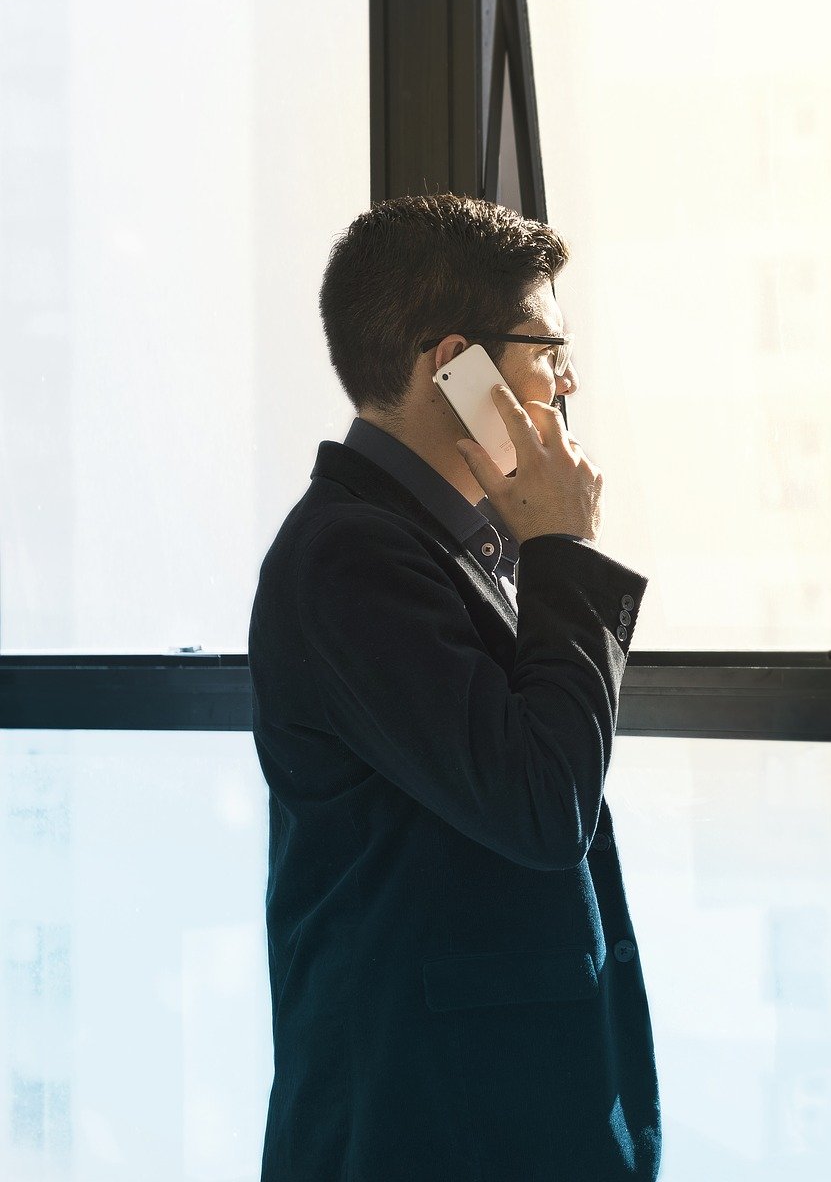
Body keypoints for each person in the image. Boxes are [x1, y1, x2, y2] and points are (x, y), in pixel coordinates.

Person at [248, 193, 660, 1180]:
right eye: (545, 348)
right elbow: (541, 802)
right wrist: (561, 546)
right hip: (425, 1129)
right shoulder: (350, 560)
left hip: (472, 1117)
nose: (565, 383)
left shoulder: (440, 547)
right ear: (455, 368)